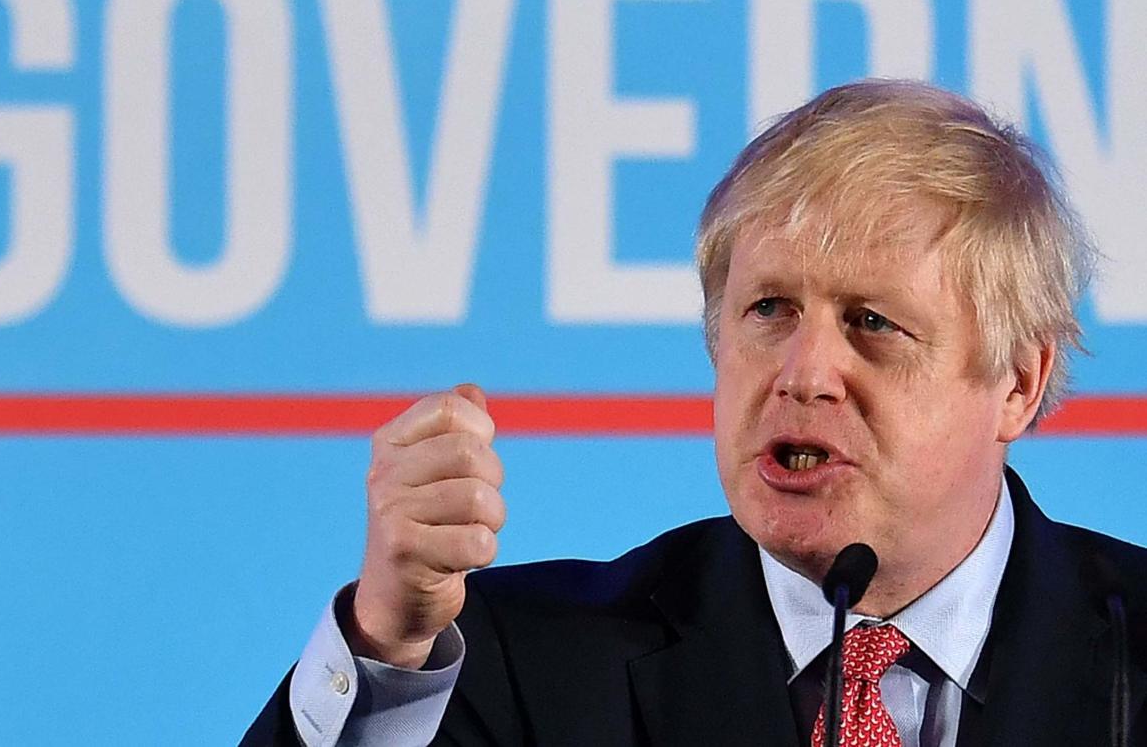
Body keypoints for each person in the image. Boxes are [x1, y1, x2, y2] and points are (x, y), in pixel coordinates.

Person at [242, 79, 1147, 746]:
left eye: (872, 323)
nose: (804, 373)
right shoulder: (521, 662)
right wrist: (388, 647)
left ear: (1019, 384)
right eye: (769, 311)